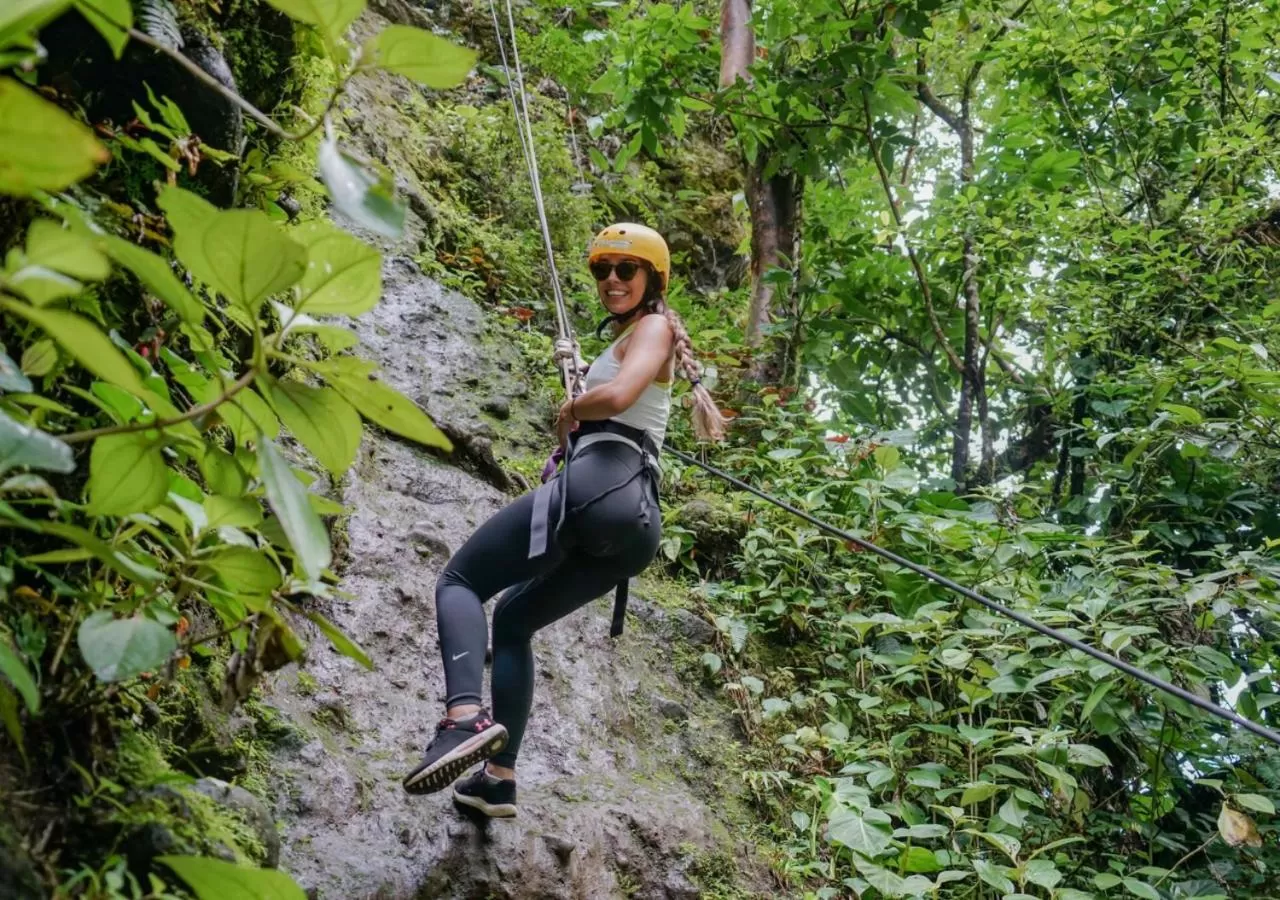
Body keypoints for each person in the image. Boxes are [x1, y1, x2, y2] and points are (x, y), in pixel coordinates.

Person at [401, 223, 724, 817]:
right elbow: (616, 399)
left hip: (605, 483)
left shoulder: (653, 326)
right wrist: (578, 404)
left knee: (460, 582)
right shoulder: (630, 336)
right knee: (516, 617)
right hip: (633, 528)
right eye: (603, 270)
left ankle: (464, 716)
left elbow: (622, 396)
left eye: (627, 270)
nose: (612, 280)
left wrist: (572, 406)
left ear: (654, 278)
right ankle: (498, 779)